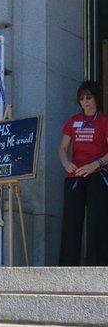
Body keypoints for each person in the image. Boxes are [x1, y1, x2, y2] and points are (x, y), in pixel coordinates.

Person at [59, 80, 108, 266]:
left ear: (96, 98)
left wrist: (96, 164)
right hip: (75, 176)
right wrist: (65, 163)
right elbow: (63, 147)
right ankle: (67, 267)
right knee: (71, 220)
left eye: (89, 97)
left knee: (97, 220)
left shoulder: (104, 120)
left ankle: (98, 266)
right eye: (82, 98)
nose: (85, 101)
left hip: (98, 174)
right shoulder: (73, 121)